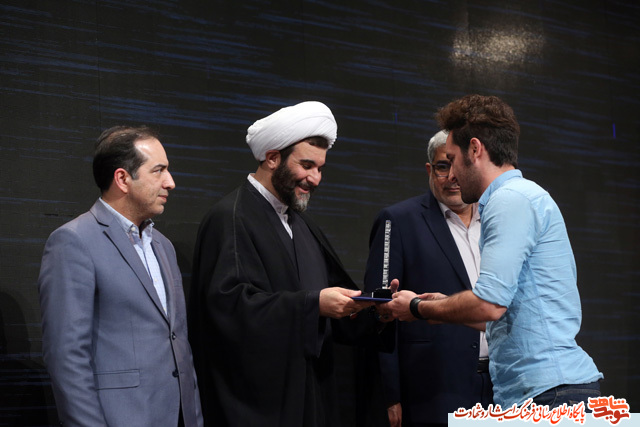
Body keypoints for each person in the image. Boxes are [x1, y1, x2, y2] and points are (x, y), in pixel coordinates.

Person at [382, 95, 603, 409]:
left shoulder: (509, 200)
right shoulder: (518, 197)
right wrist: (441, 305)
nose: (452, 175)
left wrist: (418, 307)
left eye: (453, 159)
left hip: (551, 394)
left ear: (475, 149)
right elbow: (506, 315)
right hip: (546, 392)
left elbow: (489, 305)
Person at [188, 101, 386, 427]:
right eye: (307, 165)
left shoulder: (302, 224)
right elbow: (228, 310)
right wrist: (313, 304)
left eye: (320, 168)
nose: (315, 178)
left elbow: (335, 305)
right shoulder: (230, 217)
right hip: (261, 406)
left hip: (312, 397)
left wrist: (376, 310)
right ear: (272, 158)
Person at [38, 126, 203, 427]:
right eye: (159, 170)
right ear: (122, 179)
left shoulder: (163, 246)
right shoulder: (74, 241)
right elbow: (66, 357)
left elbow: (178, 341)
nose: (171, 182)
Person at [364, 130, 492, 426]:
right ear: (429, 170)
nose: (452, 177)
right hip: (431, 388)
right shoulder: (398, 220)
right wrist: (389, 394)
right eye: (443, 167)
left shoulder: (496, 219)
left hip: (503, 383)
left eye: (459, 166)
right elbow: (378, 312)